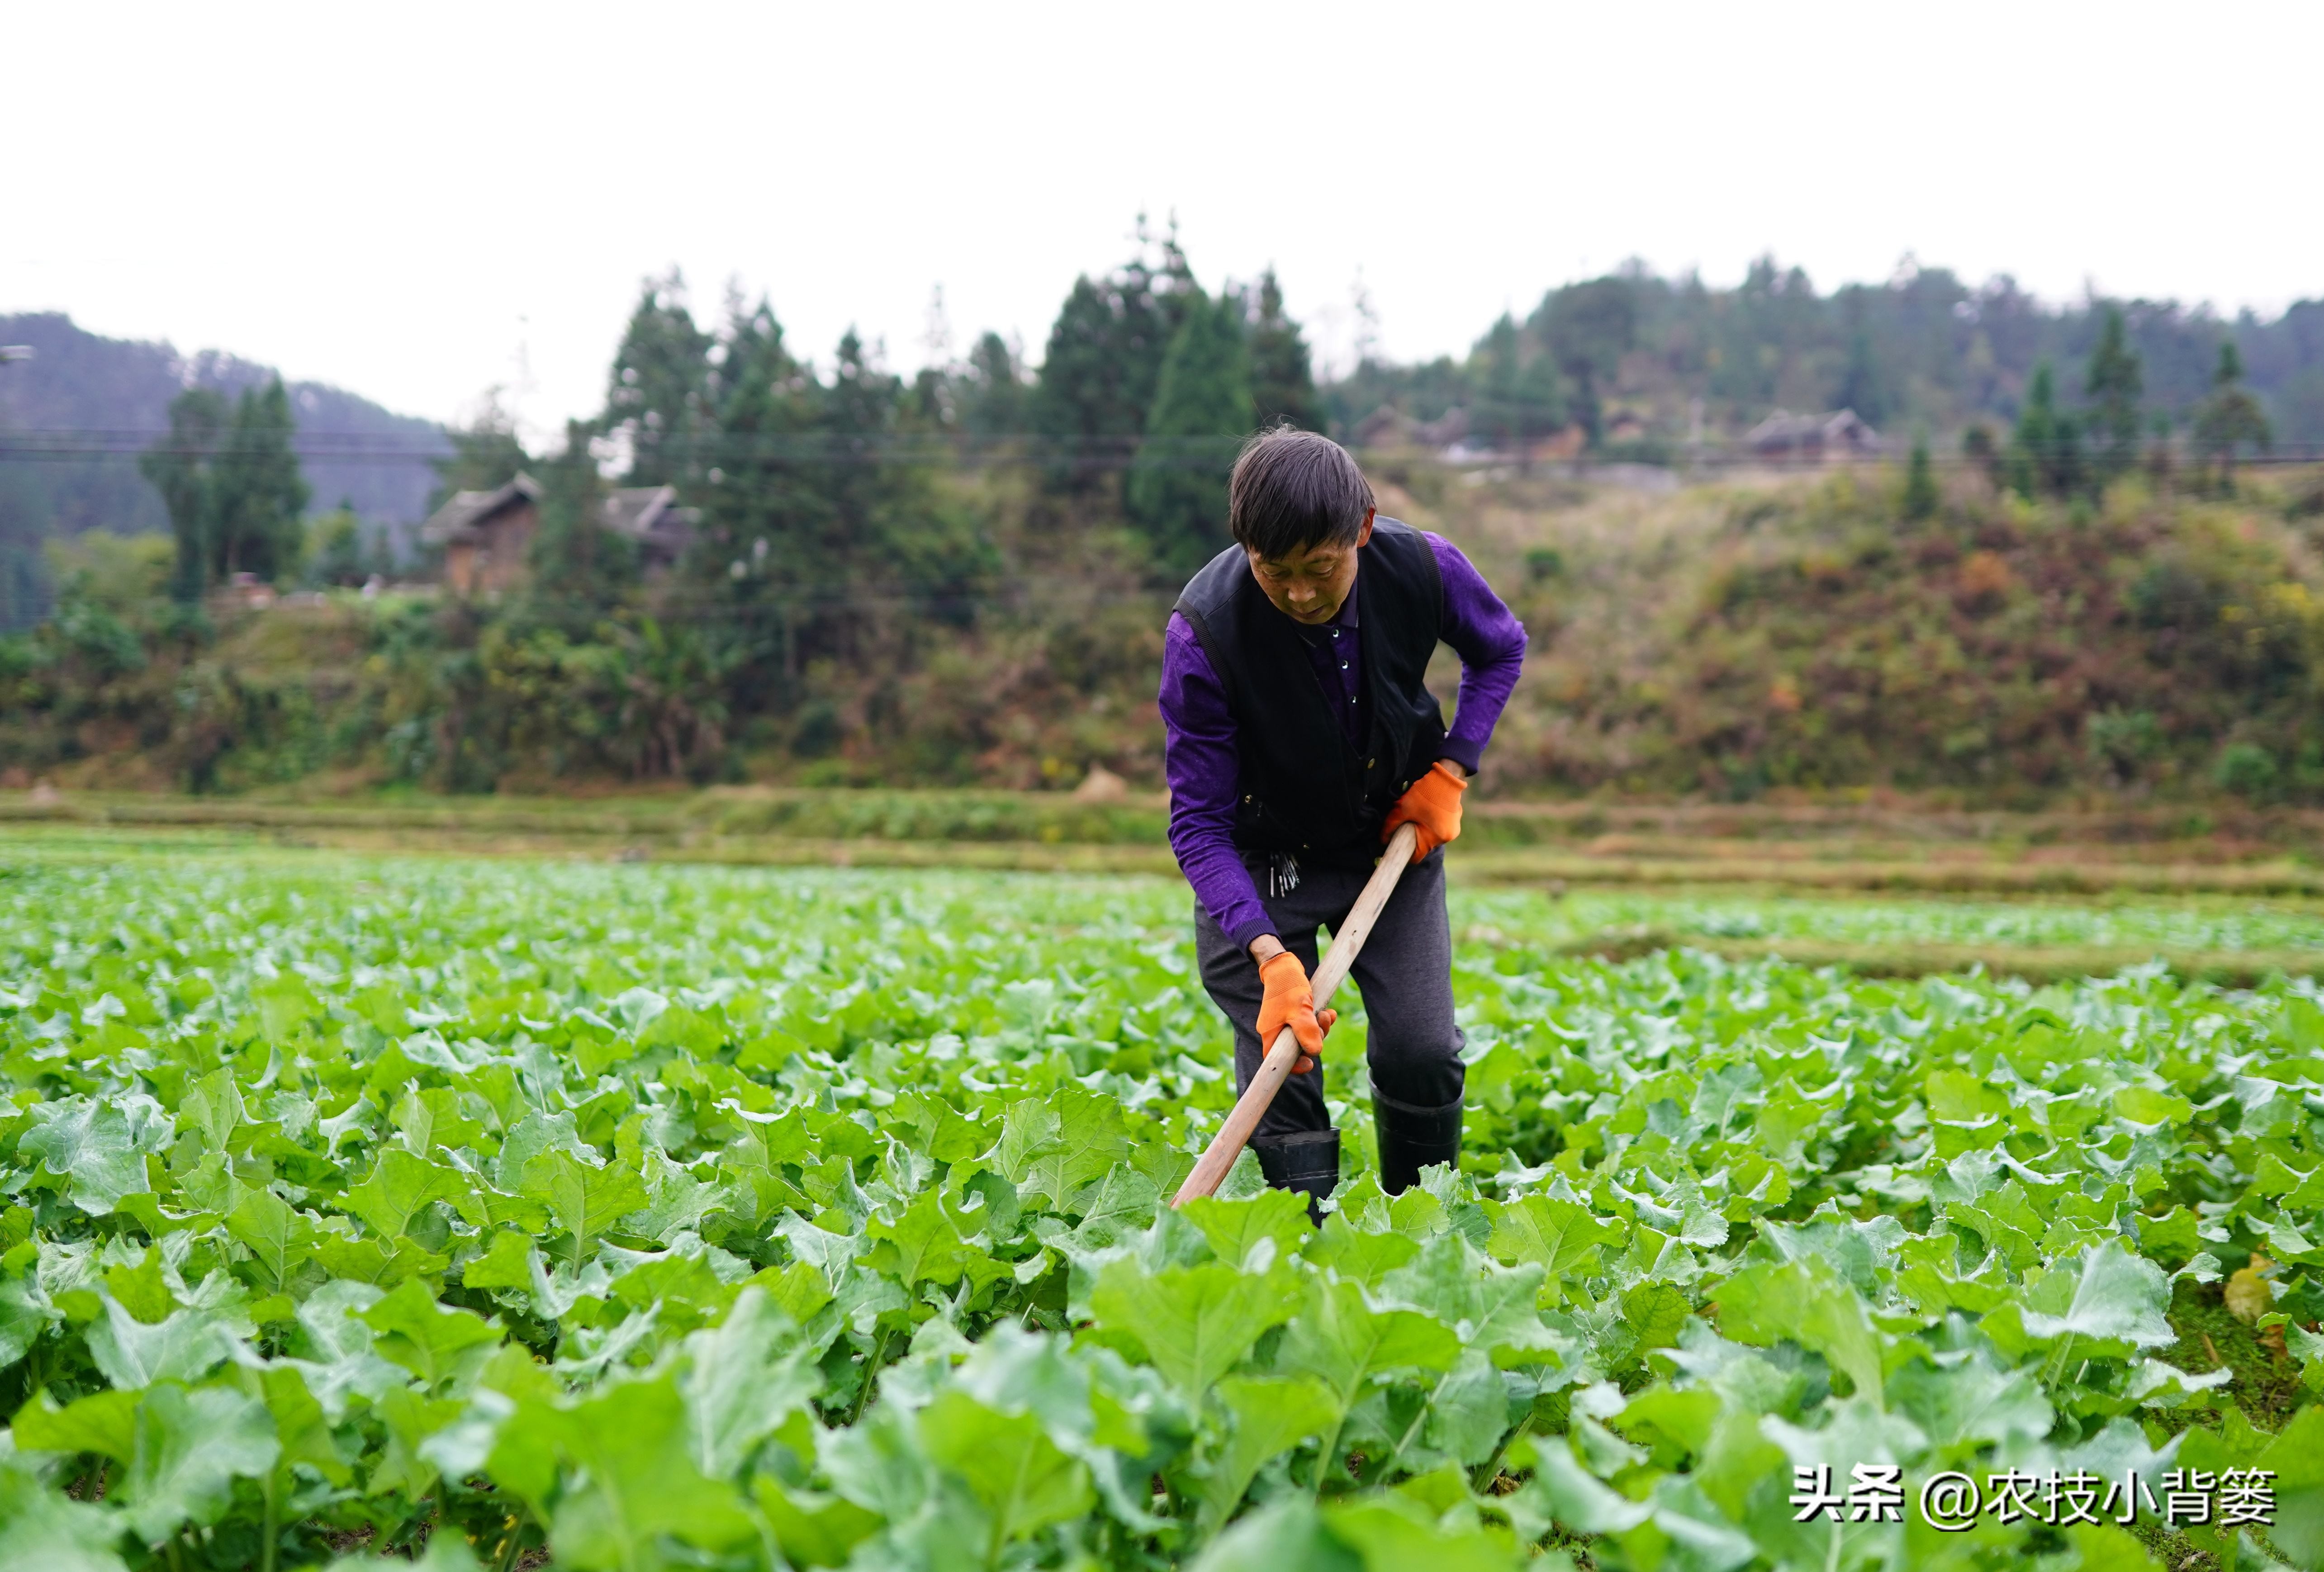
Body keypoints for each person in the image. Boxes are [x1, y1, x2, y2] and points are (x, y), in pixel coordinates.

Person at [1159, 426, 1527, 1212]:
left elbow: (1500, 649)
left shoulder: (1422, 567)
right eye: (1274, 572)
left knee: (1422, 1050)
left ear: (1359, 528)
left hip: (1390, 838)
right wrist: (1266, 953)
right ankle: (1304, 1247)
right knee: (1283, 1067)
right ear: (1244, 548)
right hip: (1264, 865)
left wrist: (1453, 766)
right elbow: (1196, 820)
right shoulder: (1204, 633)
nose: (1298, 593)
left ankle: (1418, 1226)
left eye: (1319, 569)